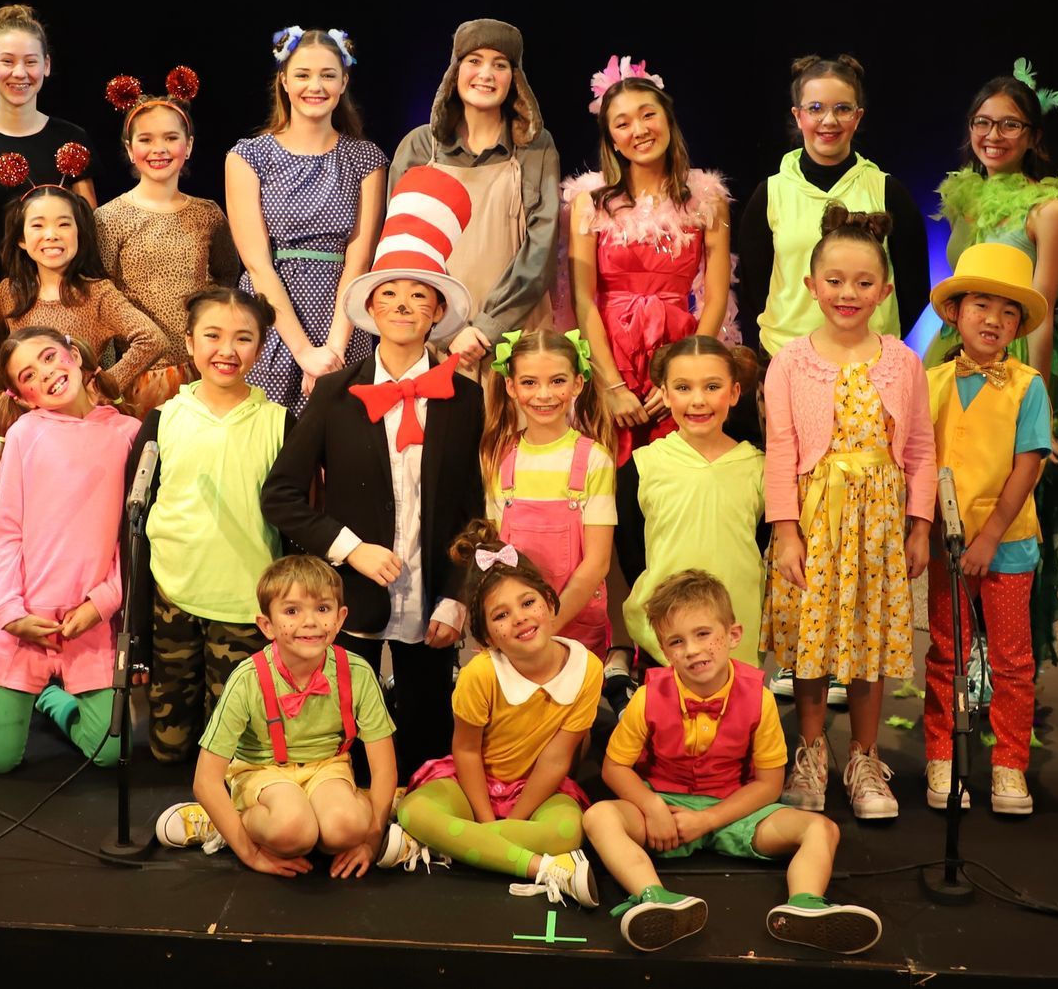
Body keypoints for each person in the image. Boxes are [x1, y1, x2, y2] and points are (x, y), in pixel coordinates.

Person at [261, 167, 485, 778]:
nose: (404, 305)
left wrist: (456, 597)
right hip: (350, 601)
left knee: (424, 745)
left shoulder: (463, 399)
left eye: (419, 295)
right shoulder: (335, 392)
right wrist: (351, 550)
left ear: (438, 309)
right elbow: (281, 496)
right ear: (370, 307)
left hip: (430, 603)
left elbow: (473, 511)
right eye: (390, 293)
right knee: (346, 745)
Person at [582, 570, 882, 954]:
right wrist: (653, 806)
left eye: (703, 634)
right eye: (677, 641)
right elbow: (614, 768)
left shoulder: (760, 699)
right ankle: (653, 897)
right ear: (663, 648)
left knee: (821, 830)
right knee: (598, 817)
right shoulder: (646, 697)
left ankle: (804, 905)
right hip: (666, 813)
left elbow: (769, 785)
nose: (691, 650)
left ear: (733, 635)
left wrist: (708, 819)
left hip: (736, 812)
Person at [762, 207, 934, 822]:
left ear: (885, 291)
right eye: (834, 281)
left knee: (868, 643)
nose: (848, 294)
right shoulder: (789, 362)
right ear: (811, 286)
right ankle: (811, 752)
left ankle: (865, 758)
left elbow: (918, 448)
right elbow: (781, 449)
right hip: (815, 519)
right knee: (810, 648)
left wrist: (920, 525)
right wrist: (785, 532)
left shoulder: (902, 361)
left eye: (864, 283)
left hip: (879, 524)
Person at [934, 63, 1058, 667]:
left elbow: (1044, 310)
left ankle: (1006, 655)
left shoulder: (1048, 207)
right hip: (960, 353)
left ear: (1033, 134)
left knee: (1013, 504)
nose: (993, 135)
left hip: (1020, 363)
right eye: (983, 122)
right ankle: (964, 650)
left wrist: (1041, 401)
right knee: (961, 498)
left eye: (1009, 124)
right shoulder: (966, 197)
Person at [377, 519, 602, 907]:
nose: (519, 618)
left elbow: (556, 758)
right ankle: (542, 869)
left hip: (537, 789)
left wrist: (516, 818)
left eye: (528, 603)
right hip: (474, 784)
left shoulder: (588, 669)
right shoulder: (480, 673)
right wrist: (485, 819)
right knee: (416, 810)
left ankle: (450, 846)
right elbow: (465, 751)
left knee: (568, 829)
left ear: (550, 603)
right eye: (500, 616)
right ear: (487, 637)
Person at [0, 327, 139, 773]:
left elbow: (135, 542)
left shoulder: (129, 433)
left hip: (89, 623)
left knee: (111, 753)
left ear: (73, 354)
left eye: (48, 357)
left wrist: (102, 603)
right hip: (25, 622)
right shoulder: (25, 434)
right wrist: (11, 612)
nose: (46, 374)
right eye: (29, 375)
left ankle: (53, 701)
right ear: (23, 397)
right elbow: (4, 536)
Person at [154, 556, 399, 880]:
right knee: (293, 829)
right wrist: (249, 852)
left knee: (346, 828)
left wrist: (370, 841)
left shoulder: (356, 673)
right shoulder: (248, 679)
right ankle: (226, 822)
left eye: (322, 609)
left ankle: (347, 814)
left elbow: (383, 768)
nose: (310, 621)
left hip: (327, 768)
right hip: (262, 772)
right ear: (267, 625)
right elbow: (206, 780)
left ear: (340, 619)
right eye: (292, 611)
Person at [129, 288, 292, 762]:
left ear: (260, 348)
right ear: (189, 341)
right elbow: (136, 512)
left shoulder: (280, 423)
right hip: (173, 593)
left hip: (245, 601)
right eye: (213, 336)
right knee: (169, 748)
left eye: (243, 338)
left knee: (235, 746)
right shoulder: (161, 420)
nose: (227, 350)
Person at [921, 246, 1053, 814]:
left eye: (1007, 311)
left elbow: (1029, 464)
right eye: (981, 304)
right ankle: (943, 756)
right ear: (954, 311)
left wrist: (992, 535)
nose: (993, 320)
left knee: (1011, 659)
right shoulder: (931, 382)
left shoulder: (1029, 386)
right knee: (946, 651)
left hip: (1008, 541)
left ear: (1019, 325)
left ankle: (1009, 764)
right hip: (947, 542)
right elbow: (919, 460)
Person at [565, 57, 733, 461]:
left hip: (678, 352)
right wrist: (611, 385)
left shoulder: (707, 199)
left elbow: (717, 297)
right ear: (611, 138)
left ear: (667, 120)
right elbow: (582, 300)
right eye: (622, 123)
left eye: (647, 115)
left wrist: (687, 374)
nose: (638, 130)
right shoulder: (590, 204)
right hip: (609, 356)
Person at [229, 26, 386, 415]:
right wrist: (302, 351)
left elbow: (358, 261)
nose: (314, 85)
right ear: (283, 80)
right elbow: (257, 263)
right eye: (302, 74)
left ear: (343, 81)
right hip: (269, 318)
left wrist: (333, 351)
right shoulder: (250, 156)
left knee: (341, 455)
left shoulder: (364, 159)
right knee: (268, 450)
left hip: (341, 319)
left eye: (327, 75)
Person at [389, 18, 559, 368]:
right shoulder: (421, 147)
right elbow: (404, 247)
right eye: (474, 61)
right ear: (455, 71)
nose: (487, 74)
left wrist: (486, 328)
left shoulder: (534, 147)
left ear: (515, 79)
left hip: (516, 334)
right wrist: (450, 328)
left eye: (500, 65)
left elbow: (540, 249)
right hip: (435, 335)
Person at [735, 54, 929, 358]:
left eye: (842, 109)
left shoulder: (888, 192)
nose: (829, 120)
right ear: (798, 116)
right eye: (815, 108)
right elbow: (753, 286)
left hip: (869, 365)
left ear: (858, 117)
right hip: (786, 360)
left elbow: (914, 288)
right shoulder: (770, 193)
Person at [95, 67, 241, 414]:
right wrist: (111, 379)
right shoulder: (109, 218)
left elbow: (226, 276)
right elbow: (101, 300)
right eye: (145, 139)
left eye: (170, 138)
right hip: (137, 377)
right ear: (130, 150)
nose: (158, 148)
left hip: (197, 373)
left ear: (188, 145)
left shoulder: (207, 214)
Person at [617, 337, 766, 671]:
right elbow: (630, 550)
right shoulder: (642, 465)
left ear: (734, 392)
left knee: (737, 719)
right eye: (683, 388)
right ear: (665, 393)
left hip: (736, 627)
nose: (698, 401)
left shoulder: (758, 467)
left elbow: (759, 538)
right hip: (667, 634)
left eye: (712, 386)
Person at [480, 328, 617, 659]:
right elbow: (495, 552)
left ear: (577, 384)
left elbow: (596, 563)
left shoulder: (594, 459)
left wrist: (547, 626)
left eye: (557, 381)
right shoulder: (500, 456)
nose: (544, 394)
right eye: (529, 382)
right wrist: (517, 627)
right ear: (511, 386)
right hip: (516, 629)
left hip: (575, 625)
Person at [0, 184, 167, 398]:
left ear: (79, 234)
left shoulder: (97, 293)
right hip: (29, 423)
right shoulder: (8, 293)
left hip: (83, 421)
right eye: (38, 225)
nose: (51, 235)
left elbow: (153, 340)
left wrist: (102, 388)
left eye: (64, 224)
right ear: (21, 239)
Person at [0, 4, 96, 254]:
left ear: (46, 65)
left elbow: (86, 223)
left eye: (31, 62)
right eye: (7, 61)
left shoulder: (71, 139)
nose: (19, 73)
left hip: (53, 287)